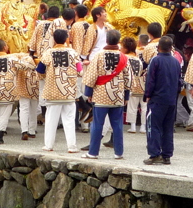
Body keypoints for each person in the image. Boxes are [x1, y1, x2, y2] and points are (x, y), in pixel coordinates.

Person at [82, 29, 131, 159]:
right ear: (118, 41)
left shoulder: (99, 55)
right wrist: (126, 96)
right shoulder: (123, 57)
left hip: (100, 94)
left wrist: (88, 93)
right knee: (117, 125)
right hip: (118, 95)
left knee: (97, 124)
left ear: (107, 40)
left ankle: (93, 152)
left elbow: (91, 75)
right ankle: (118, 152)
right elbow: (128, 78)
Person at [37, 29, 82, 153]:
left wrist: (45, 76)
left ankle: (48, 145)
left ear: (54, 39)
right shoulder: (73, 53)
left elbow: (40, 69)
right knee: (69, 120)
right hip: (69, 91)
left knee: (51, 120)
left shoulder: (48, 53)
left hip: (53, 91)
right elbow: (80, 70)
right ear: (66, 38)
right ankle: (72, 146)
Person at [143, 36, 181, 164]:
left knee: (153, 126)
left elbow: (150, 80)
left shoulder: (156, 60)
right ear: (171, 48)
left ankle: (154, 154)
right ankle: (167, 155)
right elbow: (178, 81)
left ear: (158, 47)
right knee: (168, 128)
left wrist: (147, 94)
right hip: (171, 99)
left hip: (157, 98)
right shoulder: (176, 62)